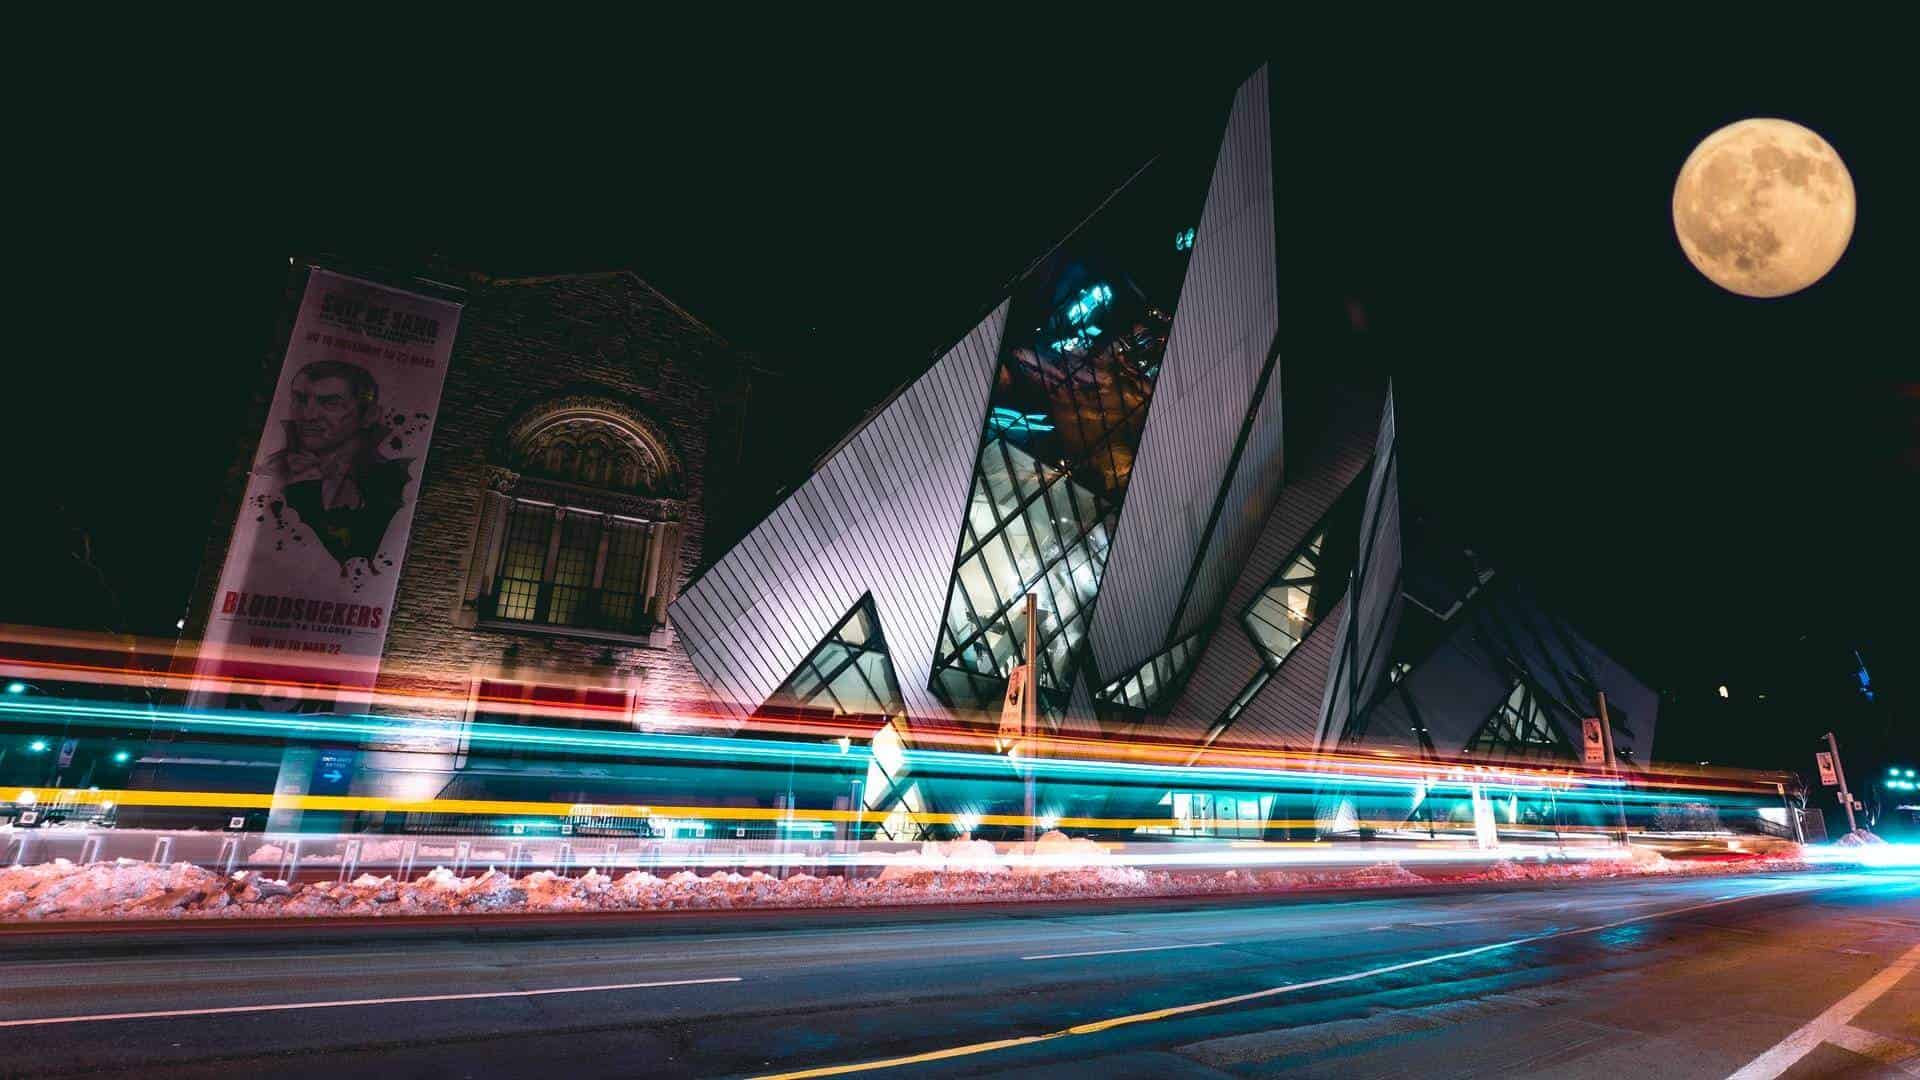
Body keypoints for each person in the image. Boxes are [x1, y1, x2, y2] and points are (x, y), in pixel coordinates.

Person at [264, 360, 411, 566]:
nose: (308, 415)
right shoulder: (271, 469)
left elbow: (352, 553)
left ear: (369, 415)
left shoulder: (392, 481)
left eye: (330, 403)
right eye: (300, 399)